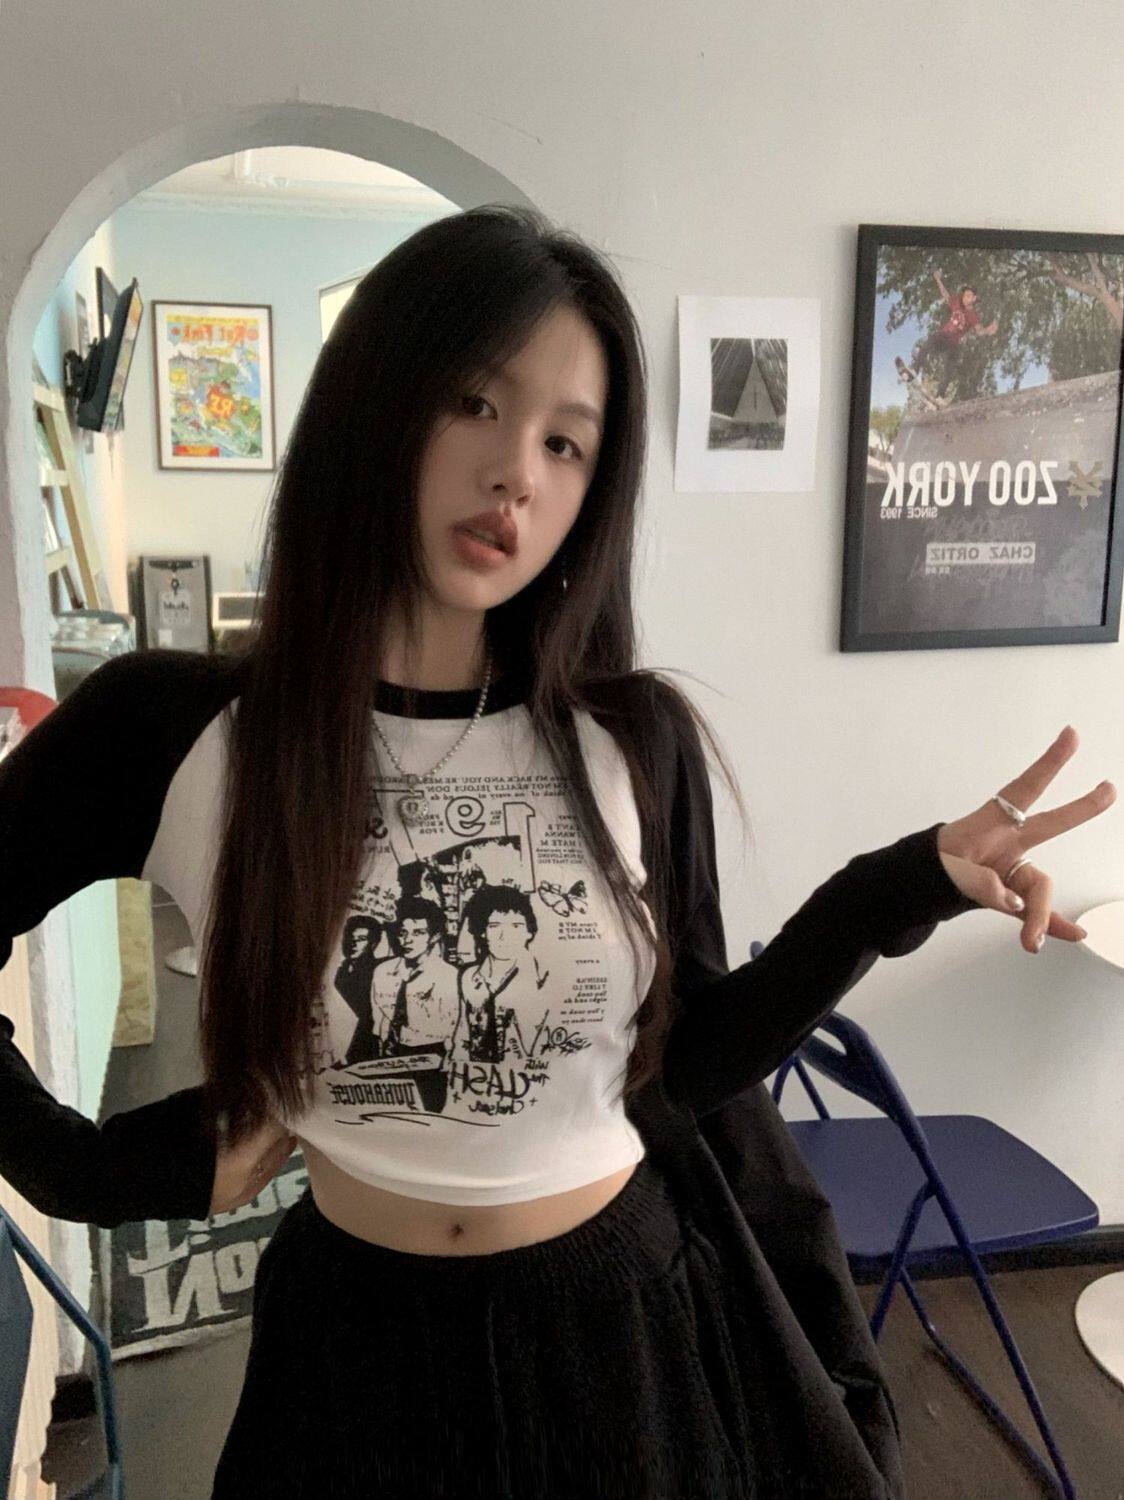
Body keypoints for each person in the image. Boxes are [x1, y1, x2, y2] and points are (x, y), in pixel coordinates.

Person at [0, 205, 1113, 1499]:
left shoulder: (626, 737)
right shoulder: (182, 732)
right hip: (351, 1360)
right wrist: (85, 1168)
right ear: (374, 401)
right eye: (475, 402)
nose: (516, 473)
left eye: (564, 442)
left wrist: (893, 890)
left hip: (620, 1339)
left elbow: (685, 1062)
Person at [906, 269, 999, 399]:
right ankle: (914, 370)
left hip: (953, 344)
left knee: (949, 369)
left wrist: (988, 330)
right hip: (943, 337)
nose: (965, 298)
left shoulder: (973, 316)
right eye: (964, 296)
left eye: (968, 296)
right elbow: (945, 294)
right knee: (929, 342)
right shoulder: (956, 303)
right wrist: (938, 280)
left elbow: (979, 331)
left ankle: (940, 395)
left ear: (974, 298)